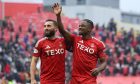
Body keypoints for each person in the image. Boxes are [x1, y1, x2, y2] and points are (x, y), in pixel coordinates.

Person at [52, 3, 107, 84]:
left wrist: (99, 69)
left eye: (83, 26)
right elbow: (62, 31)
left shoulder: (98, 44)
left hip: (89, 79)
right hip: (75, 78)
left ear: (90, 29)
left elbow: (104, 62)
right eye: (79, 26)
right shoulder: (75, 39)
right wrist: (58, 16)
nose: (80, 27)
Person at [30, 19, 67, 84]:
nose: (46, 28)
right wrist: (32, 79)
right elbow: (34, 61)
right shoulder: (40, 43)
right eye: (45, 26)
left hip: (61, 80)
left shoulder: (63, 41)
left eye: (49, 26)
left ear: (56, 29)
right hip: (46, 80)